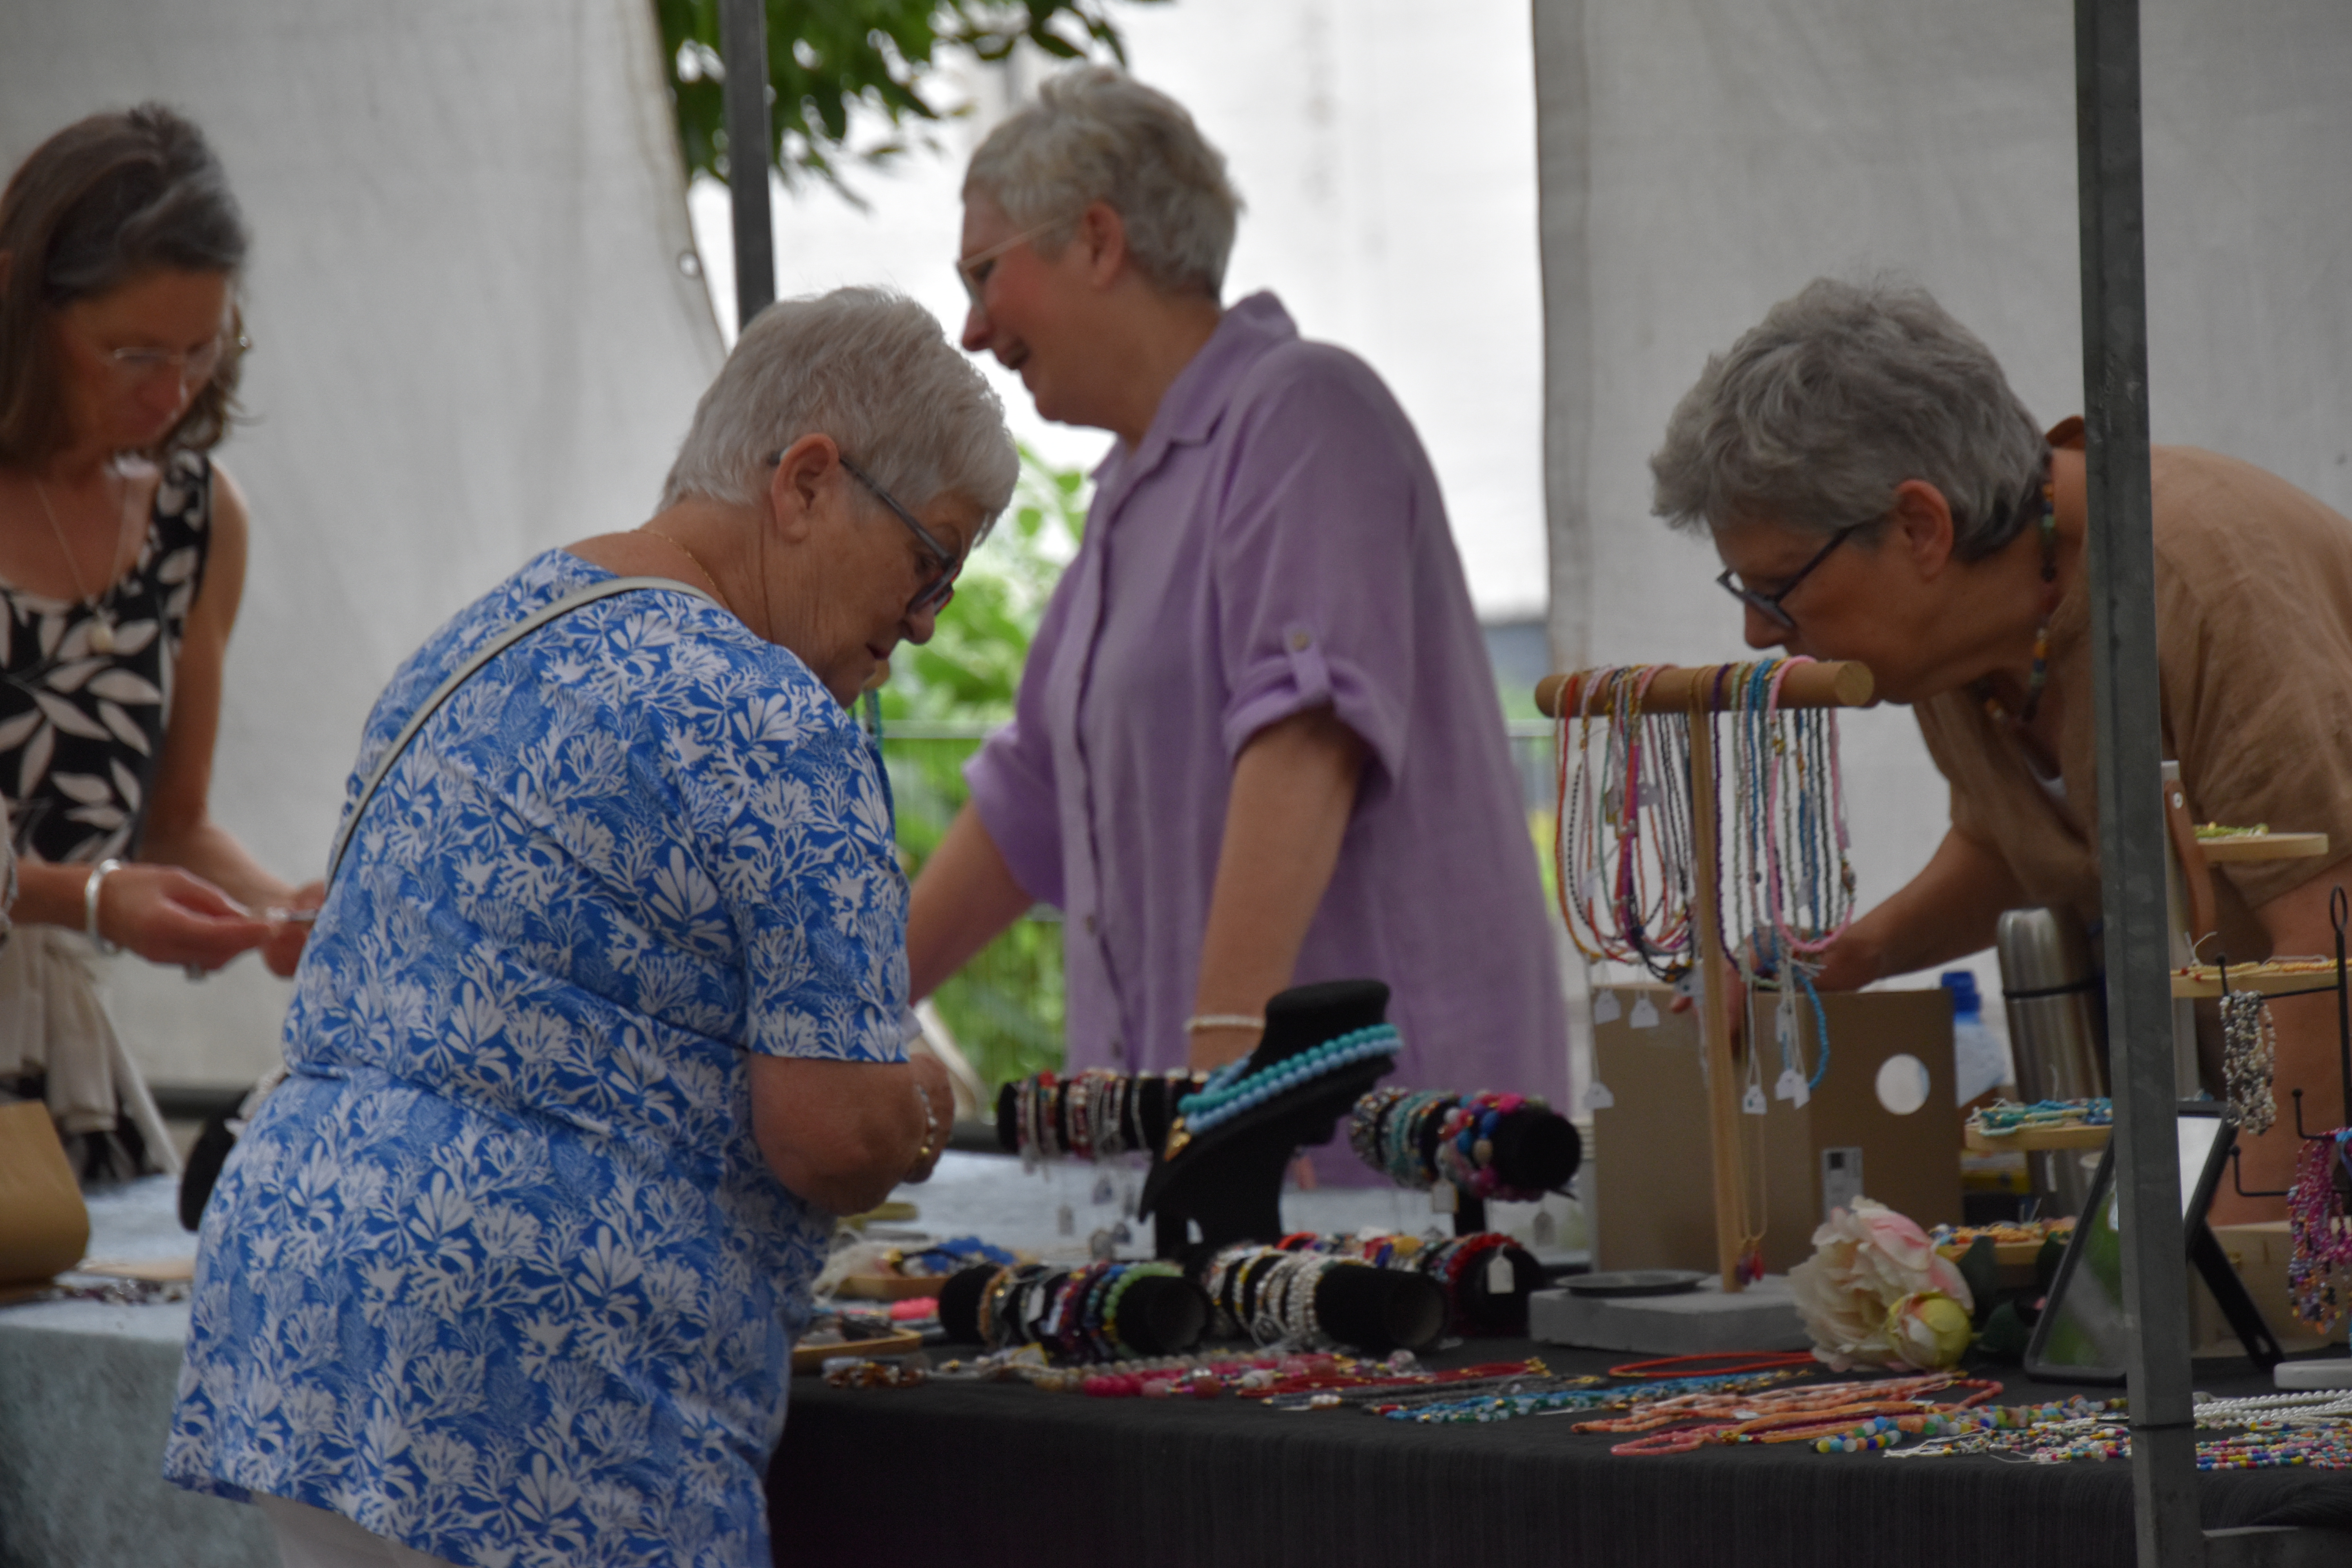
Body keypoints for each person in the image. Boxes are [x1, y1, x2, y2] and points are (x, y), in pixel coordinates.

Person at [164, 287, 1006, 1566]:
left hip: (300, 1327)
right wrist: (925, 1106)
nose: (930, 617)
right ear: (809, 481)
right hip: (547, 1385)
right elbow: (834, 1136)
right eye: (932, 560)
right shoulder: (780, 726)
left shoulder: (472, 643)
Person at [903, 67, 1568, 1176]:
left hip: (1376, 1169)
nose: (972, 330)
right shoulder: (1131, 495)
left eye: (984, 274)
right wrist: (811, 1037)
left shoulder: (1304, 410)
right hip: (1217, 1161)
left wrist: (1227, 1079)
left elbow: (1306, 737)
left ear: (1099, 240)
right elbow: (1029, 805)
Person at [1652, 275, 2352, 1214]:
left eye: (1776, 589)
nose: (1758, 636)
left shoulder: (2195, 576)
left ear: (1919, 527)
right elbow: (2015, 843)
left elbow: (2327, 951)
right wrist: (1847, 957)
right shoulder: (1954, 639)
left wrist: (2219, 1258)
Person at [0, 105, 316, 1180]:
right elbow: (109, 879)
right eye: (133, 352)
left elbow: (175, 827)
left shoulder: (197, 514)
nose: (172, 392)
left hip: (54, 1075)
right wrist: (88, 898)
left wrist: (280, 911)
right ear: (21, 302)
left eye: (202, 349)